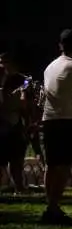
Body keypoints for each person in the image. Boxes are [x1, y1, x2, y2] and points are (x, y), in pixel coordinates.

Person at [40, 29, 72, 223]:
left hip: (49, 119)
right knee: (64, 166)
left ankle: (50, 205)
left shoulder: (49, 67)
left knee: (51, 165)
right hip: (68, 120)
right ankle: (54, 207)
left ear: (60, 45)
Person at [0, 53, 28, 194]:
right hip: (2, 123)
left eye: (5, 62)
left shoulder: (21, 79)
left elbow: (24, 103)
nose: (3, 65)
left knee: (16, 159)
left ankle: (19, 187)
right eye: (1, 62)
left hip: (14, 123)